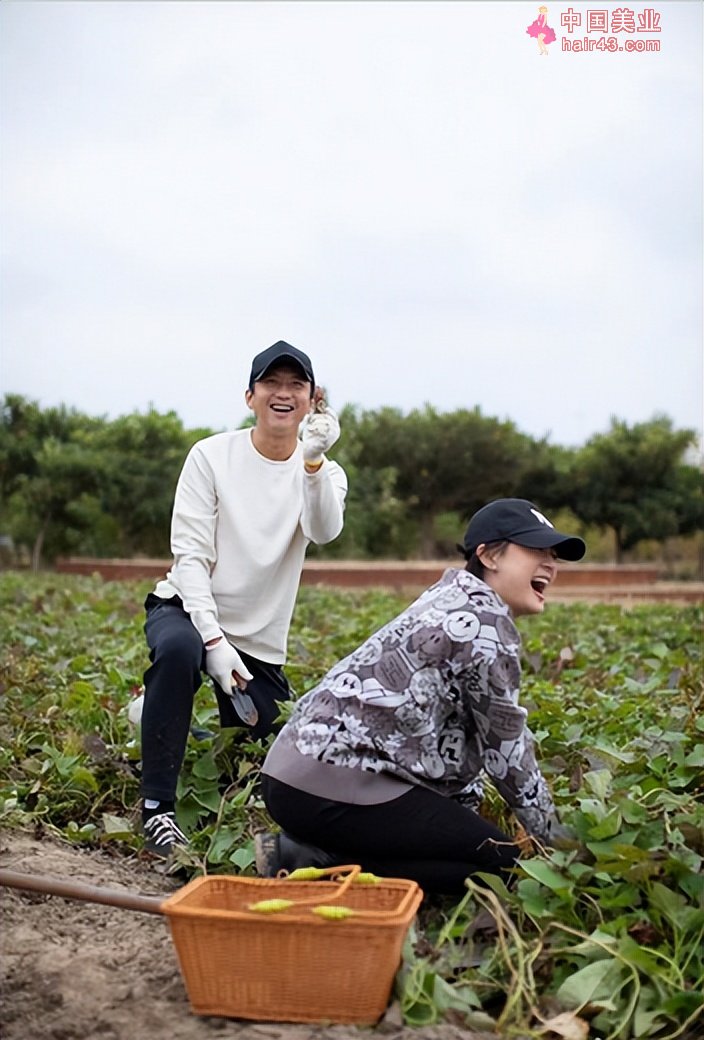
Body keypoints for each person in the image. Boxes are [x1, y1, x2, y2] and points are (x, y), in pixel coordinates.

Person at [255, 498, 585, 895]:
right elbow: (507, 753)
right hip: (331, 785)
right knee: (503, 869)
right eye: (536, 550)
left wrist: (460, 816)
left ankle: (315, 851)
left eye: (554, 554)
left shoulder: (448, 598)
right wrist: (559, 846)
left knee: (468, 846)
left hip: (291, 776)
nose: (551, 563)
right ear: (488, 556)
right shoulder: (481, 625)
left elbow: (456, 737)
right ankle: (307, 860)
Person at [140, 340, 347, 857]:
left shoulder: (324, 472)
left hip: (258, 639)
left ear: (313, 399)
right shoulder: (211, 456)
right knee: (180, 653)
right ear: (250, 396)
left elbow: (324, 531)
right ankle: (157, 810)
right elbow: (189, 557)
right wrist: (212, 638)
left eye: (295, 385)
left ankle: (153, 712)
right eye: (270, 384)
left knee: (264, 761)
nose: (283, 394)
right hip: (188, 610)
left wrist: (314, 463)